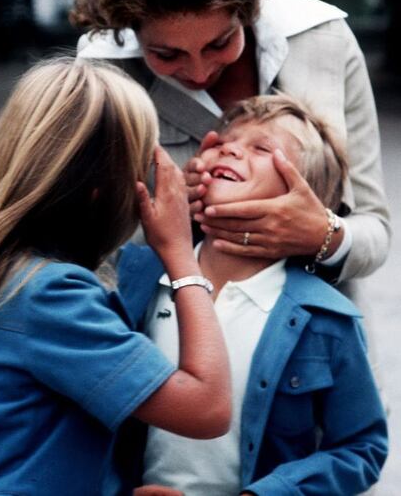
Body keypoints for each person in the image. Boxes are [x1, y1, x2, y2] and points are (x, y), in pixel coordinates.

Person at [71, 0, 390, 297]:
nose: (199, 71)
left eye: (221, 42)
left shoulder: (323, 40)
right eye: (166, 54)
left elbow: (374, 227)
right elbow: (76, 251)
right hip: (162, 350)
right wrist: (156, 221)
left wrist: (324, 235)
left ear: (250, 4)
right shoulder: (100, 75)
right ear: (127, 28)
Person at [116, 93, 388, 496]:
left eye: (261, 148)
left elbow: (361, 448)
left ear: (302, 198)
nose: (230, 149)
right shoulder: (130, 280)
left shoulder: (327, 320)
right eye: (225, 143)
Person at [0, 56, 231, 495]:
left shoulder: (7, 270)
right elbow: (206, 408)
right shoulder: (50, 294)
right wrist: (180, 254)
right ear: (105, 191)